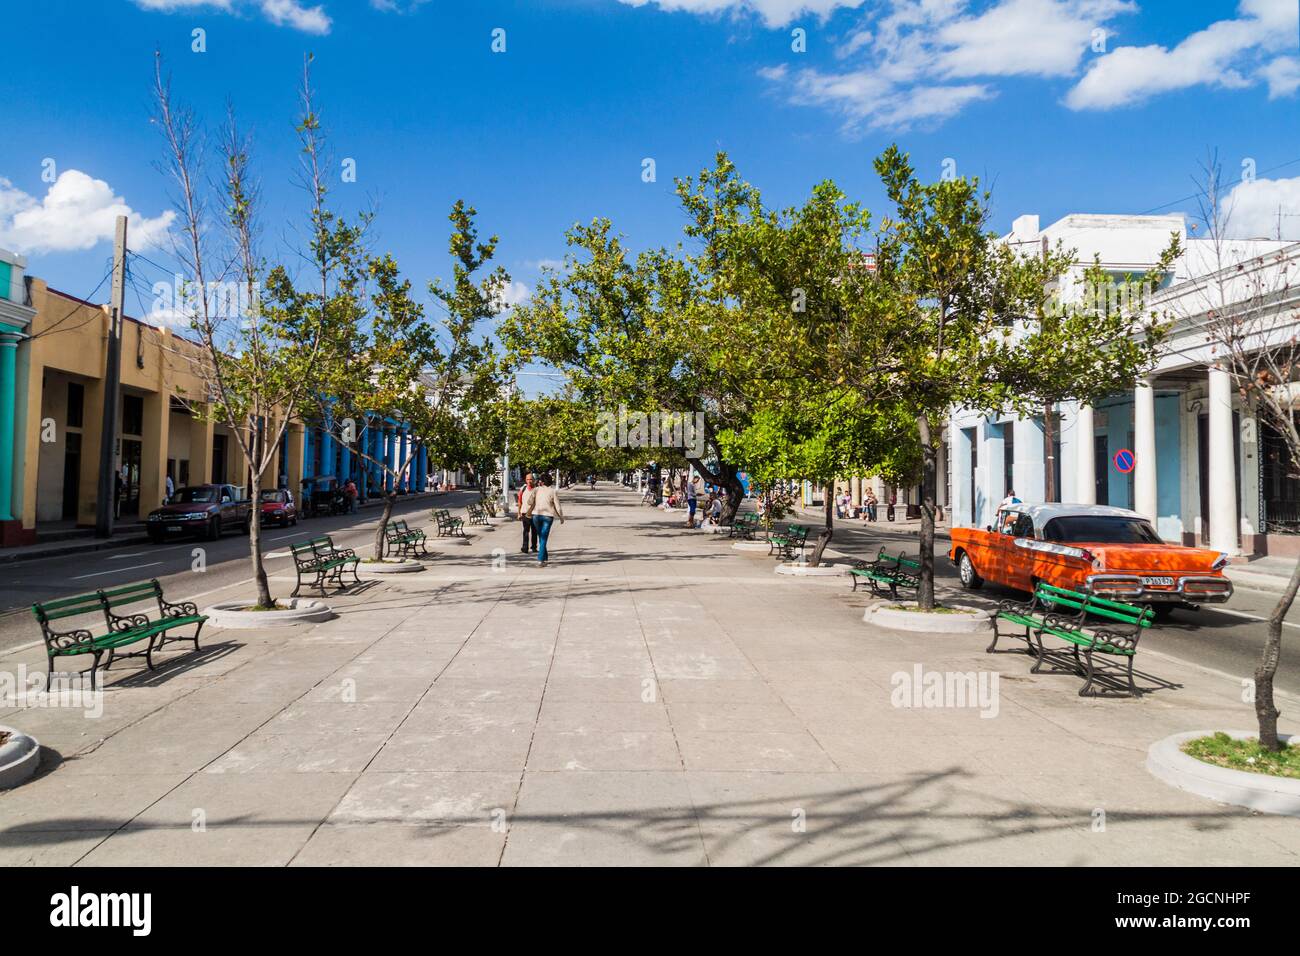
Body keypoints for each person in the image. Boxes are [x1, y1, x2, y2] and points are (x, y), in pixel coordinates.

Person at [521, 472, 565, 565]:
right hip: (548, 517)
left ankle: (544, 557)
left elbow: (529, 502)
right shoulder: (553, 491)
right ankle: (541, 559)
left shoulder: (536, 490)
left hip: (536, 516)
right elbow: (558, 506)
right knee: (543, 537)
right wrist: (561, 517)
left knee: (541, 536)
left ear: (542, 482)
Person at [518, 473, 537, 554]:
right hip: (525, 513)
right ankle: (525, 547)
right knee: (526, 531)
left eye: (531, 479)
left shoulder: (537, 489)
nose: (529, 481)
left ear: (534, 480)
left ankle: (534, 547)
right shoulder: (523, 489)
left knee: (535, 531)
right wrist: (518, 513)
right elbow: (519, 501)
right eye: (528, 479)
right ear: (525, 480)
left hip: (535, 513)